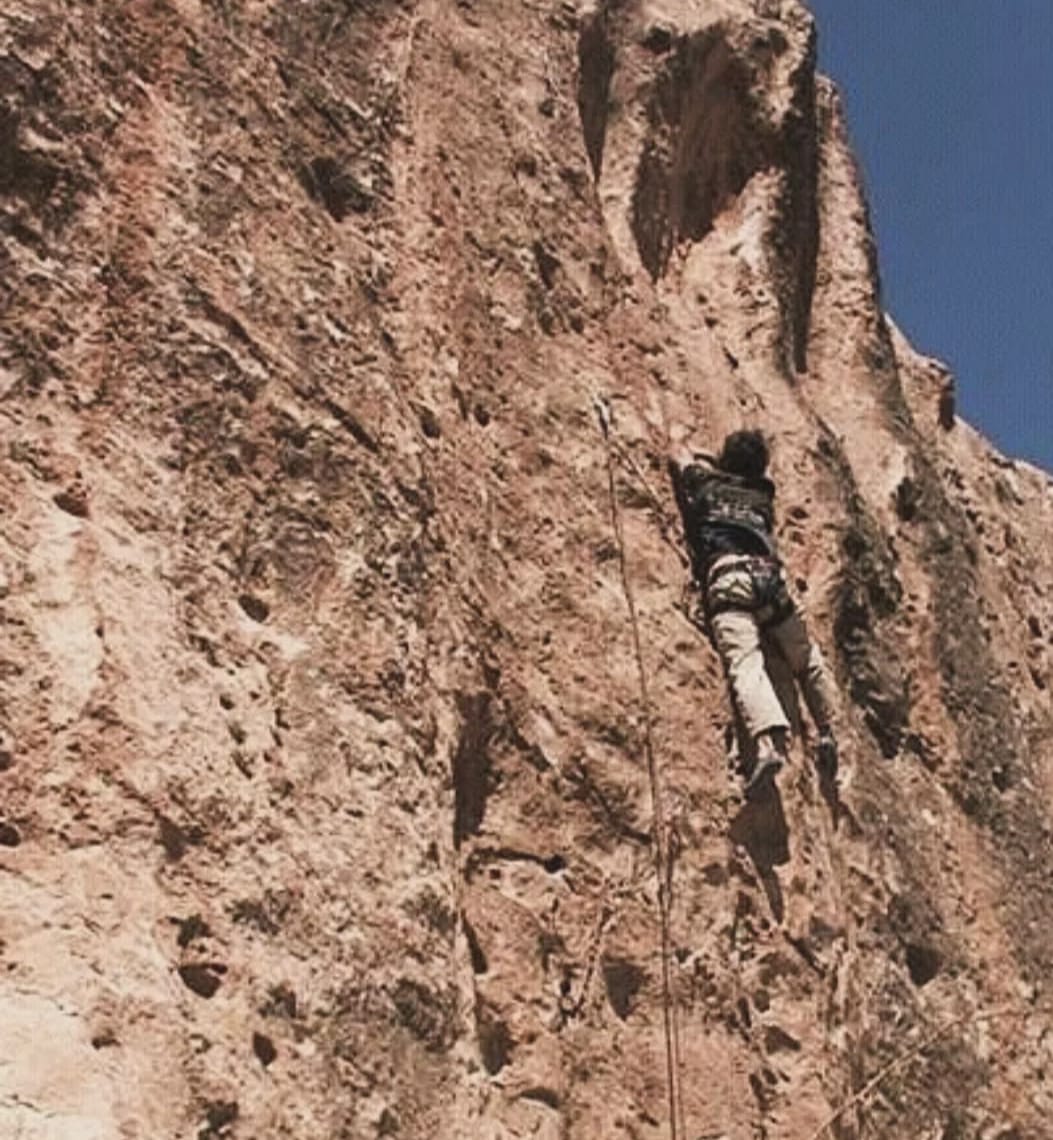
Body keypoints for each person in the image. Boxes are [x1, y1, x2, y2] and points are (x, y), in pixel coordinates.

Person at [668, 429, 838, 800]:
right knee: (805, 656)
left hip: (729, 577)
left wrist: (706, 456)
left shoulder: (707, 486)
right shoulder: (762, 496)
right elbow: (751, 472)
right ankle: (827, 729)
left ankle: (768, 745)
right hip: (769, 579)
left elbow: (678, 452)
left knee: (746, 663)